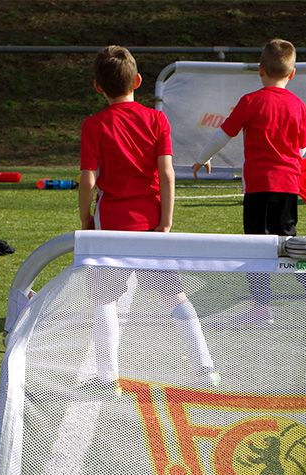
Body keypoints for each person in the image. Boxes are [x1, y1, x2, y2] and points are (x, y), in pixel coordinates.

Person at [79, 45, 219, 389]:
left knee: (103, 299)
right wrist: (166, 220)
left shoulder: (94, 125)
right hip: (152, 219)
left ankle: (107, 375)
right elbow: (168, 174)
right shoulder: (157, 119)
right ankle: (206, 368)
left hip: (112, 221)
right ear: (138, 81)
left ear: (98, 86)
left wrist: (85, 218)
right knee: (175, 295)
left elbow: (88, 179)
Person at [192, 38, 306, 326]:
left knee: (254, 247)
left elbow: (223, 133)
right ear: (292, 74)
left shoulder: (250, 101)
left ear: (260, 70)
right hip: (288, 185)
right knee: (288, 241)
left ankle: (261, 308)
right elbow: (302, 149)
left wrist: (202, 157)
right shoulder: (299, 106)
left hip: (258, 186)